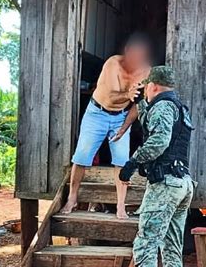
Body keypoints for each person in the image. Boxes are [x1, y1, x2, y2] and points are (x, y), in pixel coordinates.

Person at [116, 66, 195, 267]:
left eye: (146, 87)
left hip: (164, 186)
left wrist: (133, 162)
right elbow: (155, 124)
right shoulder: (178, 107)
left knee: (146, 243)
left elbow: (159, 140)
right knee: (172, 245)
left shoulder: (163, 106)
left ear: (154, 86)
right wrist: (139, 102)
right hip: (183, 183)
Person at [60, 34, 151, 219]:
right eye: (135, 55)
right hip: (97, 113)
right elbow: (112, 93)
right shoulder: (113, 63)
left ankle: (120, 206)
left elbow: (138, 104)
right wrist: (129, 93)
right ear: (127, 52)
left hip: (121, 117)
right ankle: (72, 198)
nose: (137, 61)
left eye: (141, 56)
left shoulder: (146, 72)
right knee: (82, 157)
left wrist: (125, 127)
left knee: (121, 160)